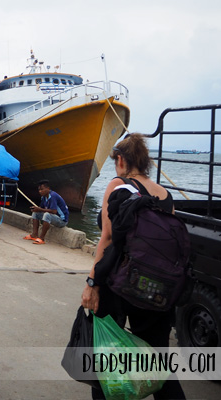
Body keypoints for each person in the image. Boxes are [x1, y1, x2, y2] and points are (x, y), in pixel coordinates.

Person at [81, 134, 185, 399]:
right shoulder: (165, 194)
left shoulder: (119, 184)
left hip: (118, 283)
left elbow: (107, 237)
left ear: (120, 160)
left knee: (106, 355)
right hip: (156, 287)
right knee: (159, 362)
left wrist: (92, 283)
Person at [23, 179, 68, 244]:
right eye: (39, 190)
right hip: (54, 217)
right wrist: (36, 209)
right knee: (36, 213)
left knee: (47, 215)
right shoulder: (44, 197)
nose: (40, 191)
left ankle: (42, 238)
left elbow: (54, 211)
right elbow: (42, 208)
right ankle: (34, 235)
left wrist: (39, 209)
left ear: (48, 188)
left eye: (42, 189)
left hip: (61, 220)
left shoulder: (53, 196)